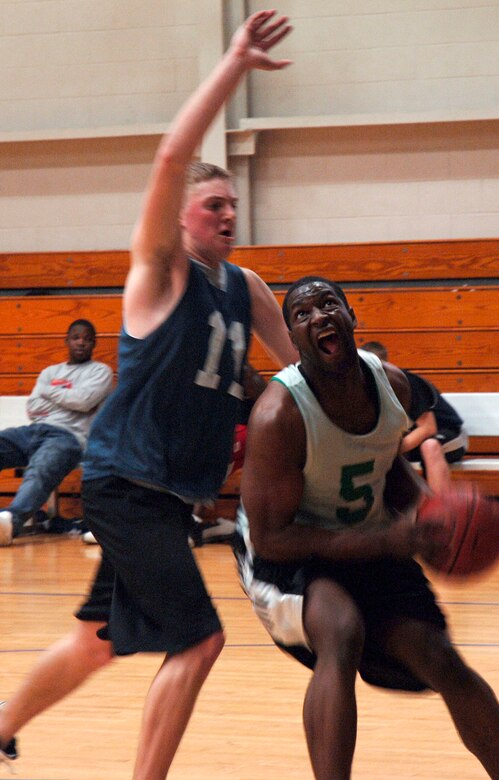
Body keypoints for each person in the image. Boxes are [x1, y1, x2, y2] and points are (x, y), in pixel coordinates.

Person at [0, 11, 297, 778]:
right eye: (212, 205)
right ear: (181, 215)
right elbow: (170, 154)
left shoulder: (247, 286)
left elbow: (299, 375)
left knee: (98, 640)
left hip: (166, 496)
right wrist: (232, 64)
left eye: (233, 205)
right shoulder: (160, 272)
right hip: (125, 483)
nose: (227, 215)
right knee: (200, 639)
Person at [235, 276, 499, 780]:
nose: (319, 316)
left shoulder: (394, 384)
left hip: (366, 539)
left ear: (351, 318)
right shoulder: (279, 415)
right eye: (302, 314)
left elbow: (388, 470)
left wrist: (432, 514)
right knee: (341, 633)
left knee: (441, 658)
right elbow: (271, 537)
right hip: (288, 554)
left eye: (328, 305)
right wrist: (387, 540)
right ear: (294, 341)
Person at [0, 319, 113, 546]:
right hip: (33, 431)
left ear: (94, 344)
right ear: (67, 341)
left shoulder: (101, 372)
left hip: (69, 438)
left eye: (87, 339)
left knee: (41, 469)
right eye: (76, 337)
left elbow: (83, 401)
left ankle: (10, 521)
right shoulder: (50, 371)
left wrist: (49, 392)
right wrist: (67, 400)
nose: (81, 343)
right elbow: (33, 408)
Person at [362, 340, 468, 494]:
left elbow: (428, 428)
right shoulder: (364, 390)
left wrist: (388, 450)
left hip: (449, 434)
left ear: (384, 365)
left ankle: (442, 513)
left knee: (429, 446)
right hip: (413, 439)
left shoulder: (406, 383)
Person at [190, 360, 268, 546]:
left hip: (241, 435)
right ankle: (197, 524)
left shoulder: (232, 366)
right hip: (247, 436)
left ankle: (191, 523)